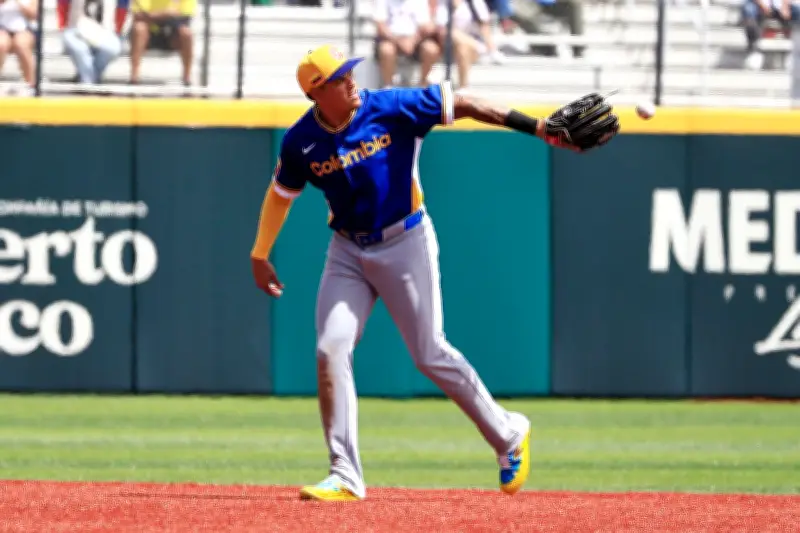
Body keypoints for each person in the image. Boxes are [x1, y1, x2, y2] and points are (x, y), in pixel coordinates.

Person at [249, 44, 617, 502]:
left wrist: (538, 127)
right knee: (330, 348)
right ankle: (345, 473)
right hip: (347, 251)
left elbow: (461, 102)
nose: (350, 80)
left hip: (405, 241)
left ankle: (508, 435)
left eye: (349, 72)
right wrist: (260, 252)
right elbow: (281, 194)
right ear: (316, 92)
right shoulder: (300, 141)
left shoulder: (390, 106)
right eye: (339, 77)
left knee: (429, 353)